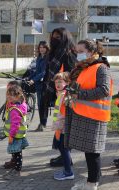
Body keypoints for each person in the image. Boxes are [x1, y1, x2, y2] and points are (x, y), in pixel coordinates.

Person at [65, 39, 112, 190]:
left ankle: (92, 185)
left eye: (80, 51)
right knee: (90, 151)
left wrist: (80, 94)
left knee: (92, 152)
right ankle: (93, 179)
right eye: (76, 52)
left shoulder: (101, 67)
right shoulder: (86, 67)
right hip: (86, 114)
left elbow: (104, 90)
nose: (77, 55)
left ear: (91, 51)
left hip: (95, 115)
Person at [42, 27, 77, 167]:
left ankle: (66, 158)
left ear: (64, 38)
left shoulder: (68, 53)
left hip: (65, 95)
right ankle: (63, 155)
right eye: (53, 36)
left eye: (58, 37)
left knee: (63, 127)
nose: (54, 39)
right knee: (59, 125)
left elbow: (71, 76)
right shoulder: (54, 52)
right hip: (56, 93)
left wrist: (64, 92)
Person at [3, 85, 29, 180]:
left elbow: (15, 124)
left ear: (18, 96)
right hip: (19, 134)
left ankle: (17, 170)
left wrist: (11, 136)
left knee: (17, 153)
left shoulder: (15, 110)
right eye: (8, 95)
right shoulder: (21, 105)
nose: (9, 97)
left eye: (12, 95)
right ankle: (15, 167)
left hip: (15, 135)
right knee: (16, 152)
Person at [51, 72, 74, 180]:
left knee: (64, 149)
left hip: (62, 128)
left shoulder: (64, 96)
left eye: (60, 82)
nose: (58, 84)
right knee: (64, 149)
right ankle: (67, 169)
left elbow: (63, 114)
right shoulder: (60, 94)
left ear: (67, 82)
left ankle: (68, 172)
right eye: (56, 82)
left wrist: (59, 129)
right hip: (61, 127)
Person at [28, 41, 49, 132]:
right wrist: (29, 78)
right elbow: (37, 71)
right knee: (40, 105)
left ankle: (43, 124)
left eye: (44, 47)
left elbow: (44, 72)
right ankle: (42, 123)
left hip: (45, 84)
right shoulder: (39, 57)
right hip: (38, 84)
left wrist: (34, 79)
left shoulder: (48, 58)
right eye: (40, 47)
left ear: (47, 48)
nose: (42, 49)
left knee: (43, 105)